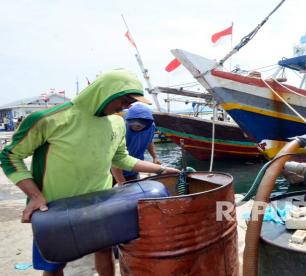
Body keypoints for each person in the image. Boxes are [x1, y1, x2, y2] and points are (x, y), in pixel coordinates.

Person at [0, 69, 179, 276]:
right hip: (56, 208)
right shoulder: (49, 119)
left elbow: (120, 158)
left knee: (104, 250)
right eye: (125, 100)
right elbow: (10, 156)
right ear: (105, 92)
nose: (127, 106)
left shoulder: (117, 122)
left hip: (101, 204)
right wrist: (34, 196)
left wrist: (161, 168)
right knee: (55, 263)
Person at [111, 103, 160, 184]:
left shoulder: (151, 127)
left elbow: (149, 140)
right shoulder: (121, 128)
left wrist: (155, 157)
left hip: (134, 169)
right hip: (113, 173)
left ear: (147, 123)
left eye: (139, 125)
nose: (135, 127)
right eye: (132, 124)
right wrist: (121, 183)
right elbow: (115, 158)